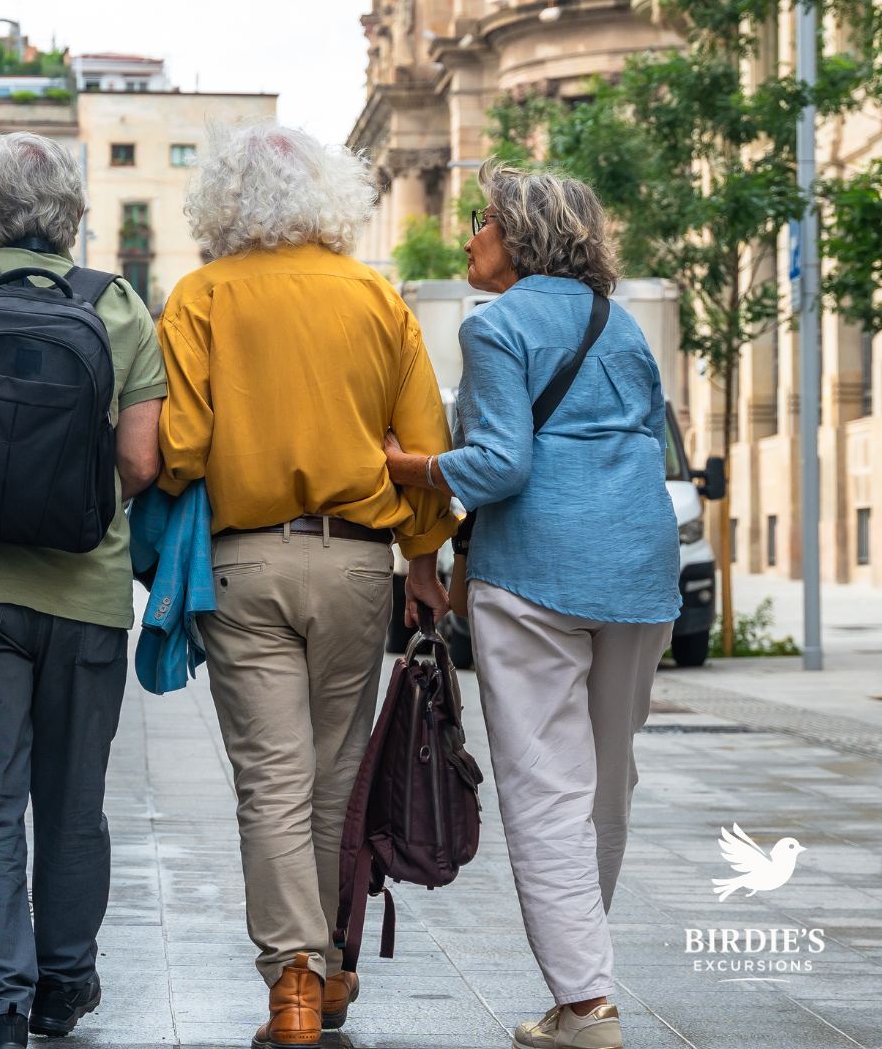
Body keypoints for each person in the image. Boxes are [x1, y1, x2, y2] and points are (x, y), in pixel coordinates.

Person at [155, 119, 455, 1049]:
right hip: (359, 560)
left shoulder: (199, 296)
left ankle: (291, 983)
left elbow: (181, 450)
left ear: (225, 201)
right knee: (334, 771)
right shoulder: (376, 296)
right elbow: (428, 453)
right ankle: (323, 969)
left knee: (270, 779)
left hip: (245, 561)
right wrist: (423, 558)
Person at [383, 162, 677, 1049]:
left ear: (517, 236)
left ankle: (588, 1003)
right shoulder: (620, 325)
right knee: (608, 781)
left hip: (539, 570)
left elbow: (504, 464)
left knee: (547, 787)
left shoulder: (497, 325)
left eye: (482, 220)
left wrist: (411, 468)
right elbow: (650, 432)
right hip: (639, 566)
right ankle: (581, 985)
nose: (469, 234)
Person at [0, 132, 167, 1049]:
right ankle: (65, 984)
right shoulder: (121, 305)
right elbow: (139, 461)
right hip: (87, 591)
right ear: (75, 215)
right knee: (72, 801)